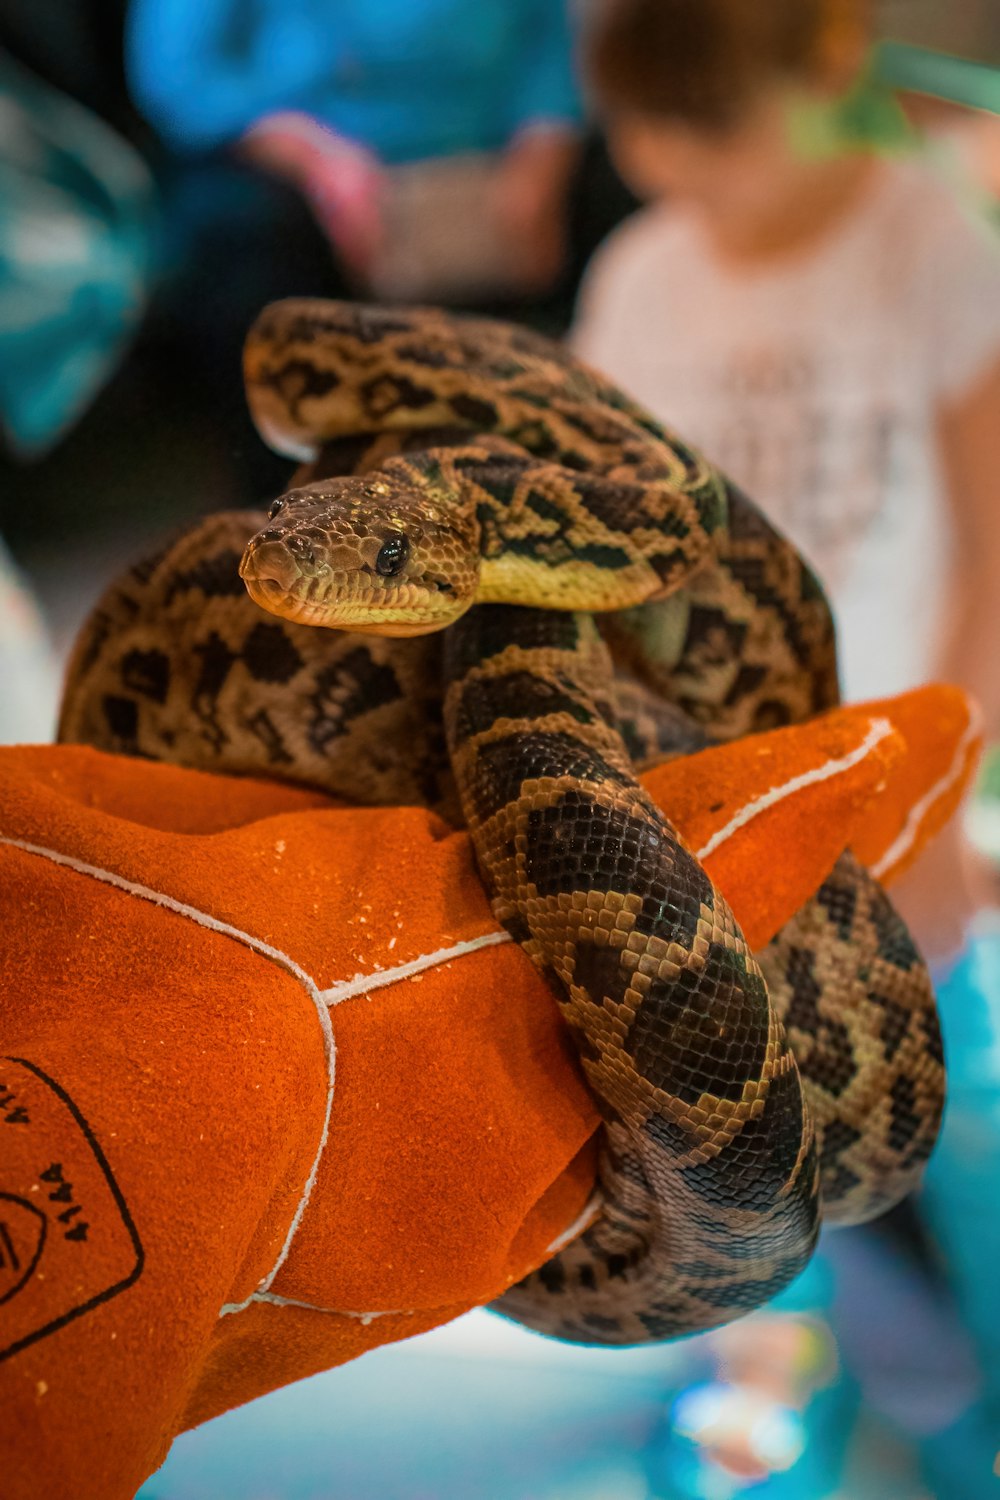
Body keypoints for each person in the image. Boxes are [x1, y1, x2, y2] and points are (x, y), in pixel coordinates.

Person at [572, 0, 1000, 969]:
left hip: (882, 782)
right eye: (637, 119)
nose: (664, 158)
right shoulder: (633, 279)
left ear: (831, 63)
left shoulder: (934, 253)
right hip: (688, 804)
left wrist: (933, 792)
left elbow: (996, 558)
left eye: (713, 119)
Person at [125, 0, 585, 298]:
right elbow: (180, 78)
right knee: (239, 231)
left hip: (487, 159)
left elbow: (550, 55)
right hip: (293, 158)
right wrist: (314, 158)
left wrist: (541, 167)